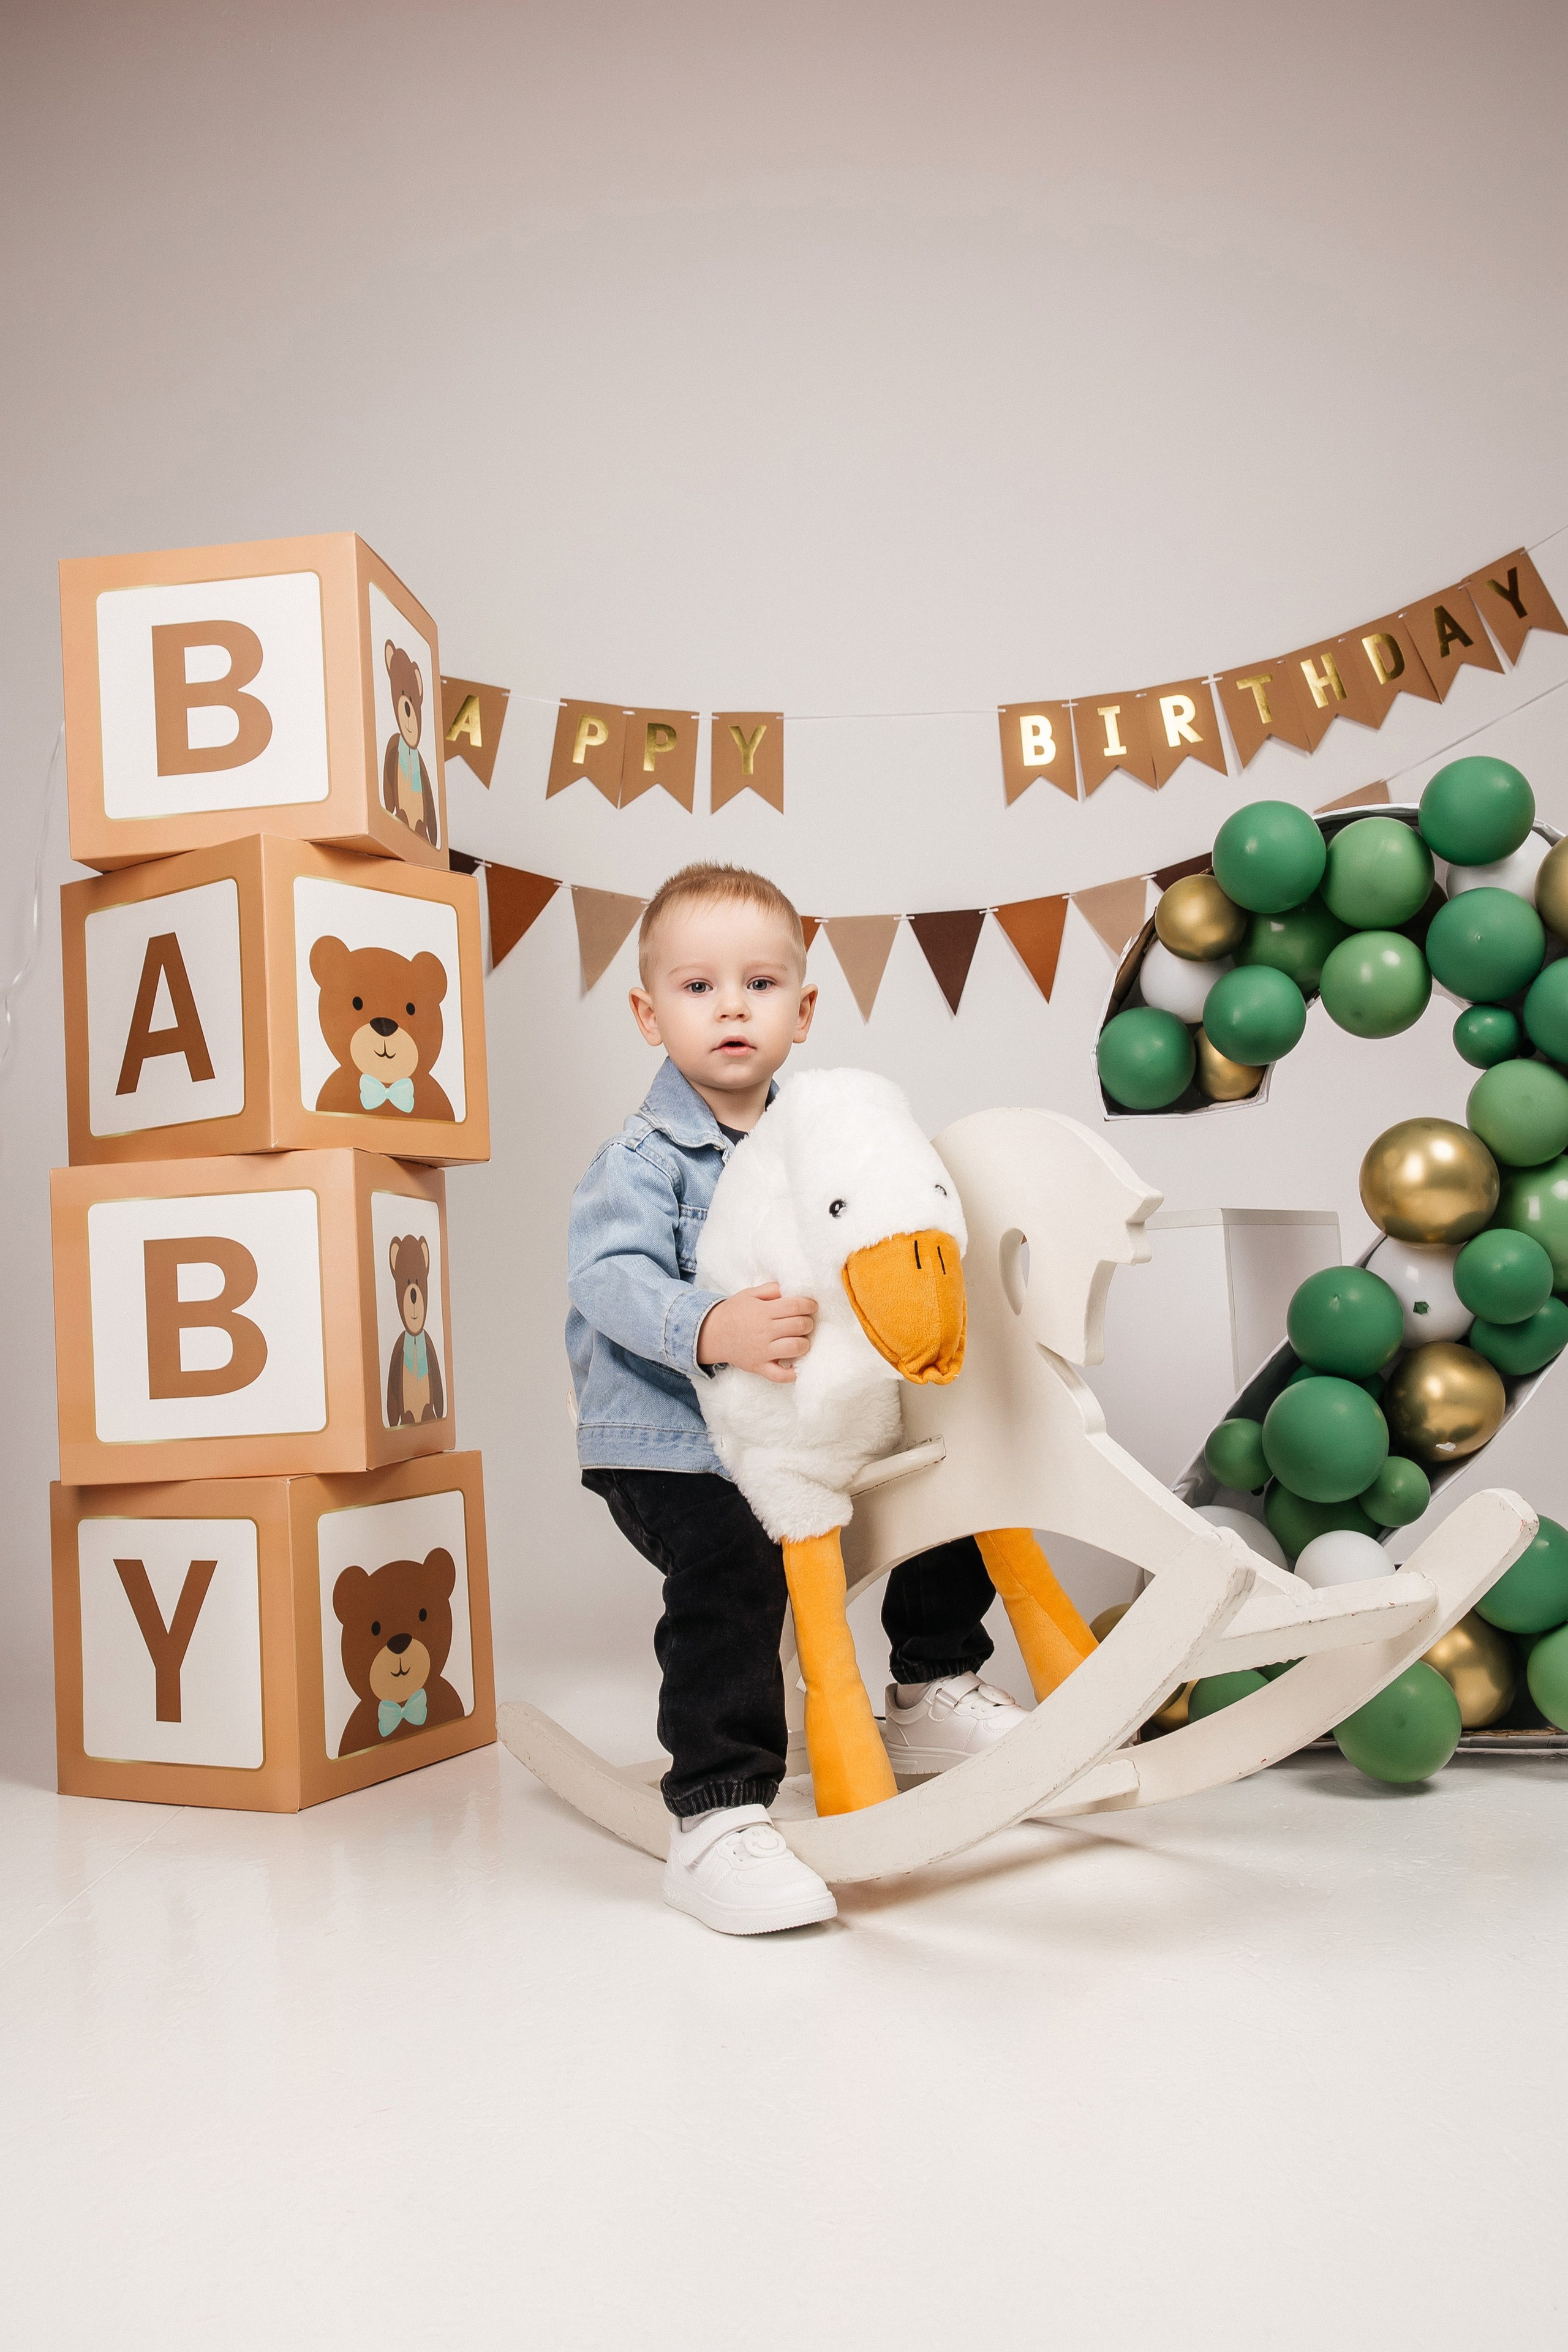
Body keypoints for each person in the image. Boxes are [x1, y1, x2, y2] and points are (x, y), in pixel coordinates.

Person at [568, 862, 1028, 1934]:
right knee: (732, 1563)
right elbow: (605, 1279)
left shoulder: (827, 1138)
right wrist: (710, 1328)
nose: (732, 1006)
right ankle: (718, 1811)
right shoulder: (642, 1160)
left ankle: (931, 1687)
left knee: (927, 1480)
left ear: (804, 1009)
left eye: (761, 983)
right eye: (697, 987)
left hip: (804, 1435)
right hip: (672, 1446)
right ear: (649, 1013)